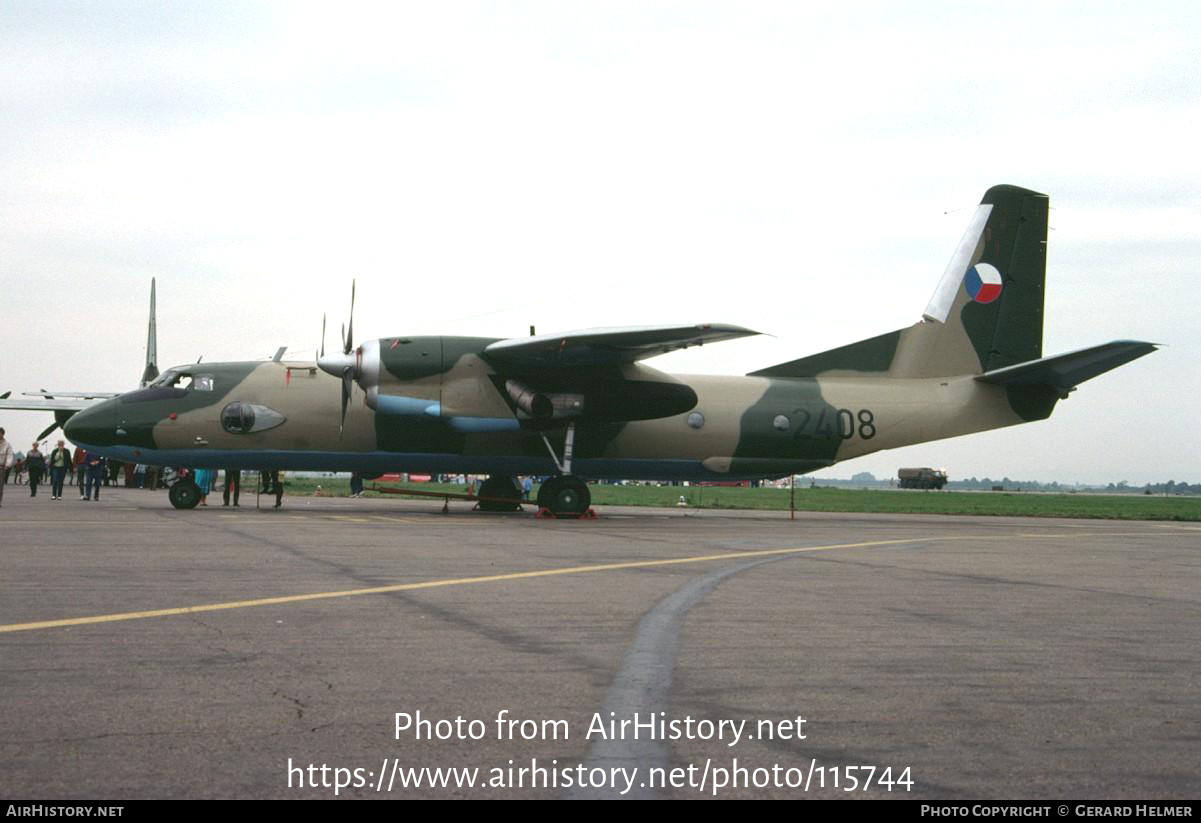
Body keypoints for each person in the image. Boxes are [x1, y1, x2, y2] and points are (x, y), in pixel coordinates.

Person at [0, 427, 13, 508]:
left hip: (1, 467)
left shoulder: (7, 445)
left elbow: (9, 455)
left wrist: (8, 464)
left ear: (3, 434)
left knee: (0, 486)